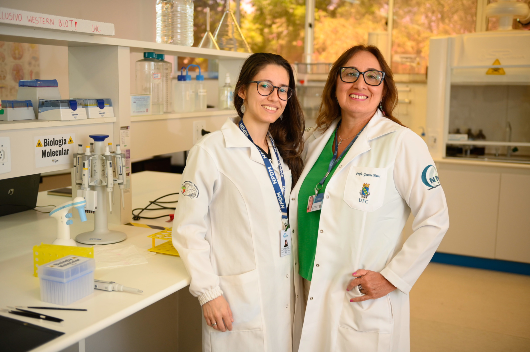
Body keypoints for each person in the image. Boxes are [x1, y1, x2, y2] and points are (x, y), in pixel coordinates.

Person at [289, 45, 449, 352]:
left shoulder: (402, 143)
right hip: (307, 282)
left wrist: (392, 277)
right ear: (335, 82)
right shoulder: (317, 139)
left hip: (357, 292)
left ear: (383, 88)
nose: (360, 84)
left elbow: (435, 219)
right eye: (350, 74)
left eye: (372, 76)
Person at [172, 53, 305, 352]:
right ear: (242, 90)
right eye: (265, 86)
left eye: (283, 90)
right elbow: (187, 230)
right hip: (236, 298)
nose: (275, 97)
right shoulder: (211, 151)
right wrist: (208, 293)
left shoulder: (281, 153)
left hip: (280, 291)